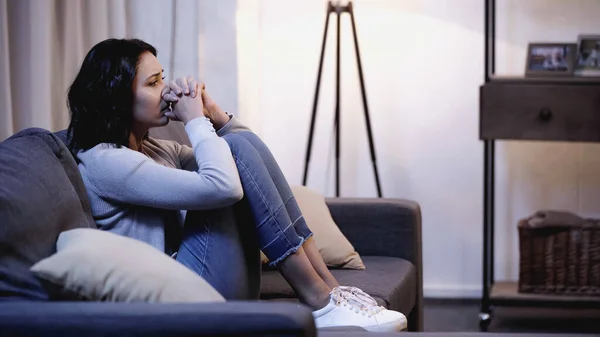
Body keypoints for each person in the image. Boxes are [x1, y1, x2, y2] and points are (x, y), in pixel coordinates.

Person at [66, 38, 406, 332]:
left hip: (206, 283)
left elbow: (249, 156)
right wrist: (195, 121)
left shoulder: (154, 148)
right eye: (154, 83)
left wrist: (218, 117)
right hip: (173, 306)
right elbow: (223, 186)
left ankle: (331, 294)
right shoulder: (107, 162)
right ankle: (318, 299)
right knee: (230, 161)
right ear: (118, 96)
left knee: (238, 146)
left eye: (163, 79)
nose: (168, 90)